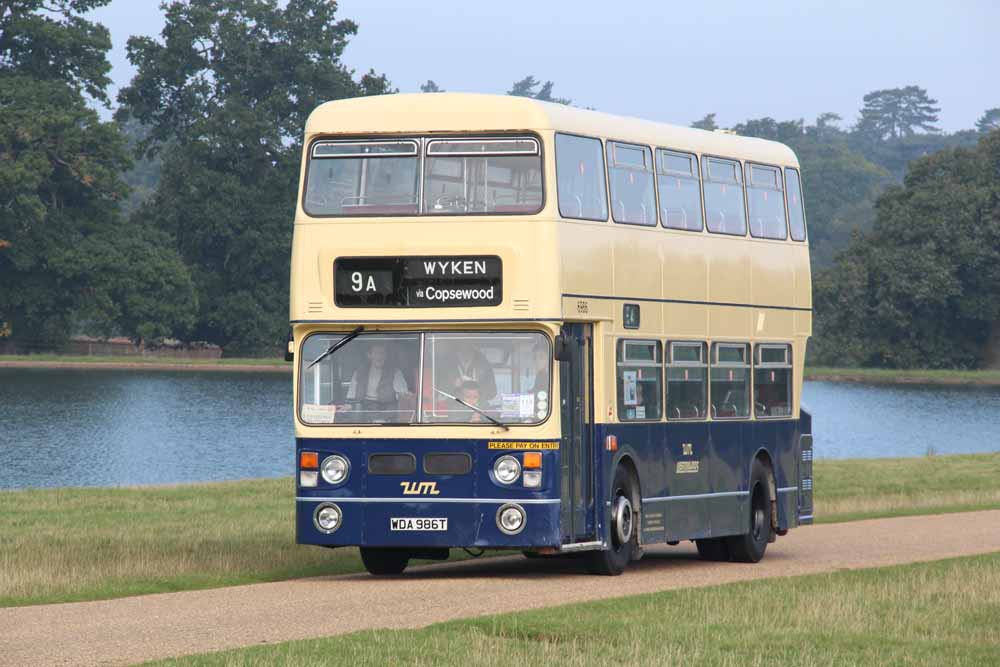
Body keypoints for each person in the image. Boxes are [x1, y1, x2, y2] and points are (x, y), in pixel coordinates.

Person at [343, 342, 411, 420]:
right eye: (376, 353)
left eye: (382, 353)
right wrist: (348, 406)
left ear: (386, 356)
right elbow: (352, 393)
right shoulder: (359, 372)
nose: (379, 356)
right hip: (364, 407)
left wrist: (405, 396)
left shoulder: (395, 372)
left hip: (387, 408)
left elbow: (402, 394)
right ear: (369, 355)